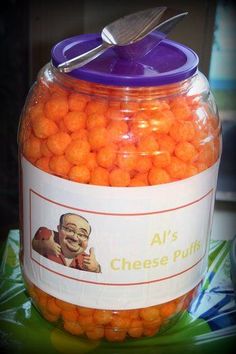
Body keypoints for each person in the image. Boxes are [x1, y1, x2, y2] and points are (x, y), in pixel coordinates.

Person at [32, 213, 101, 273]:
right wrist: (43, 245)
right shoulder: (48, 236)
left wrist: (96, 269)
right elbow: (32, 244)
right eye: (70, 230)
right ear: (59, 228)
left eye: (81, 235)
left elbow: (99, 277)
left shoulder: (86, 259)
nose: (75, 238)